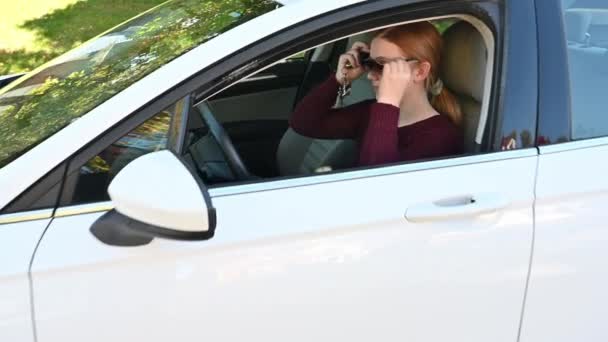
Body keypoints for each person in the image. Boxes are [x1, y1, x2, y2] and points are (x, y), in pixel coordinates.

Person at [290, 21, 464, 167]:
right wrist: (339, 79)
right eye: (369, 63)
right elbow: (304, 124)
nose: (370, 74)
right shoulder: (371, 112)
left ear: (420, 72)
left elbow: (377, 186)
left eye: (382, 65)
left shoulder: (440, 138)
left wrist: (387, 103)